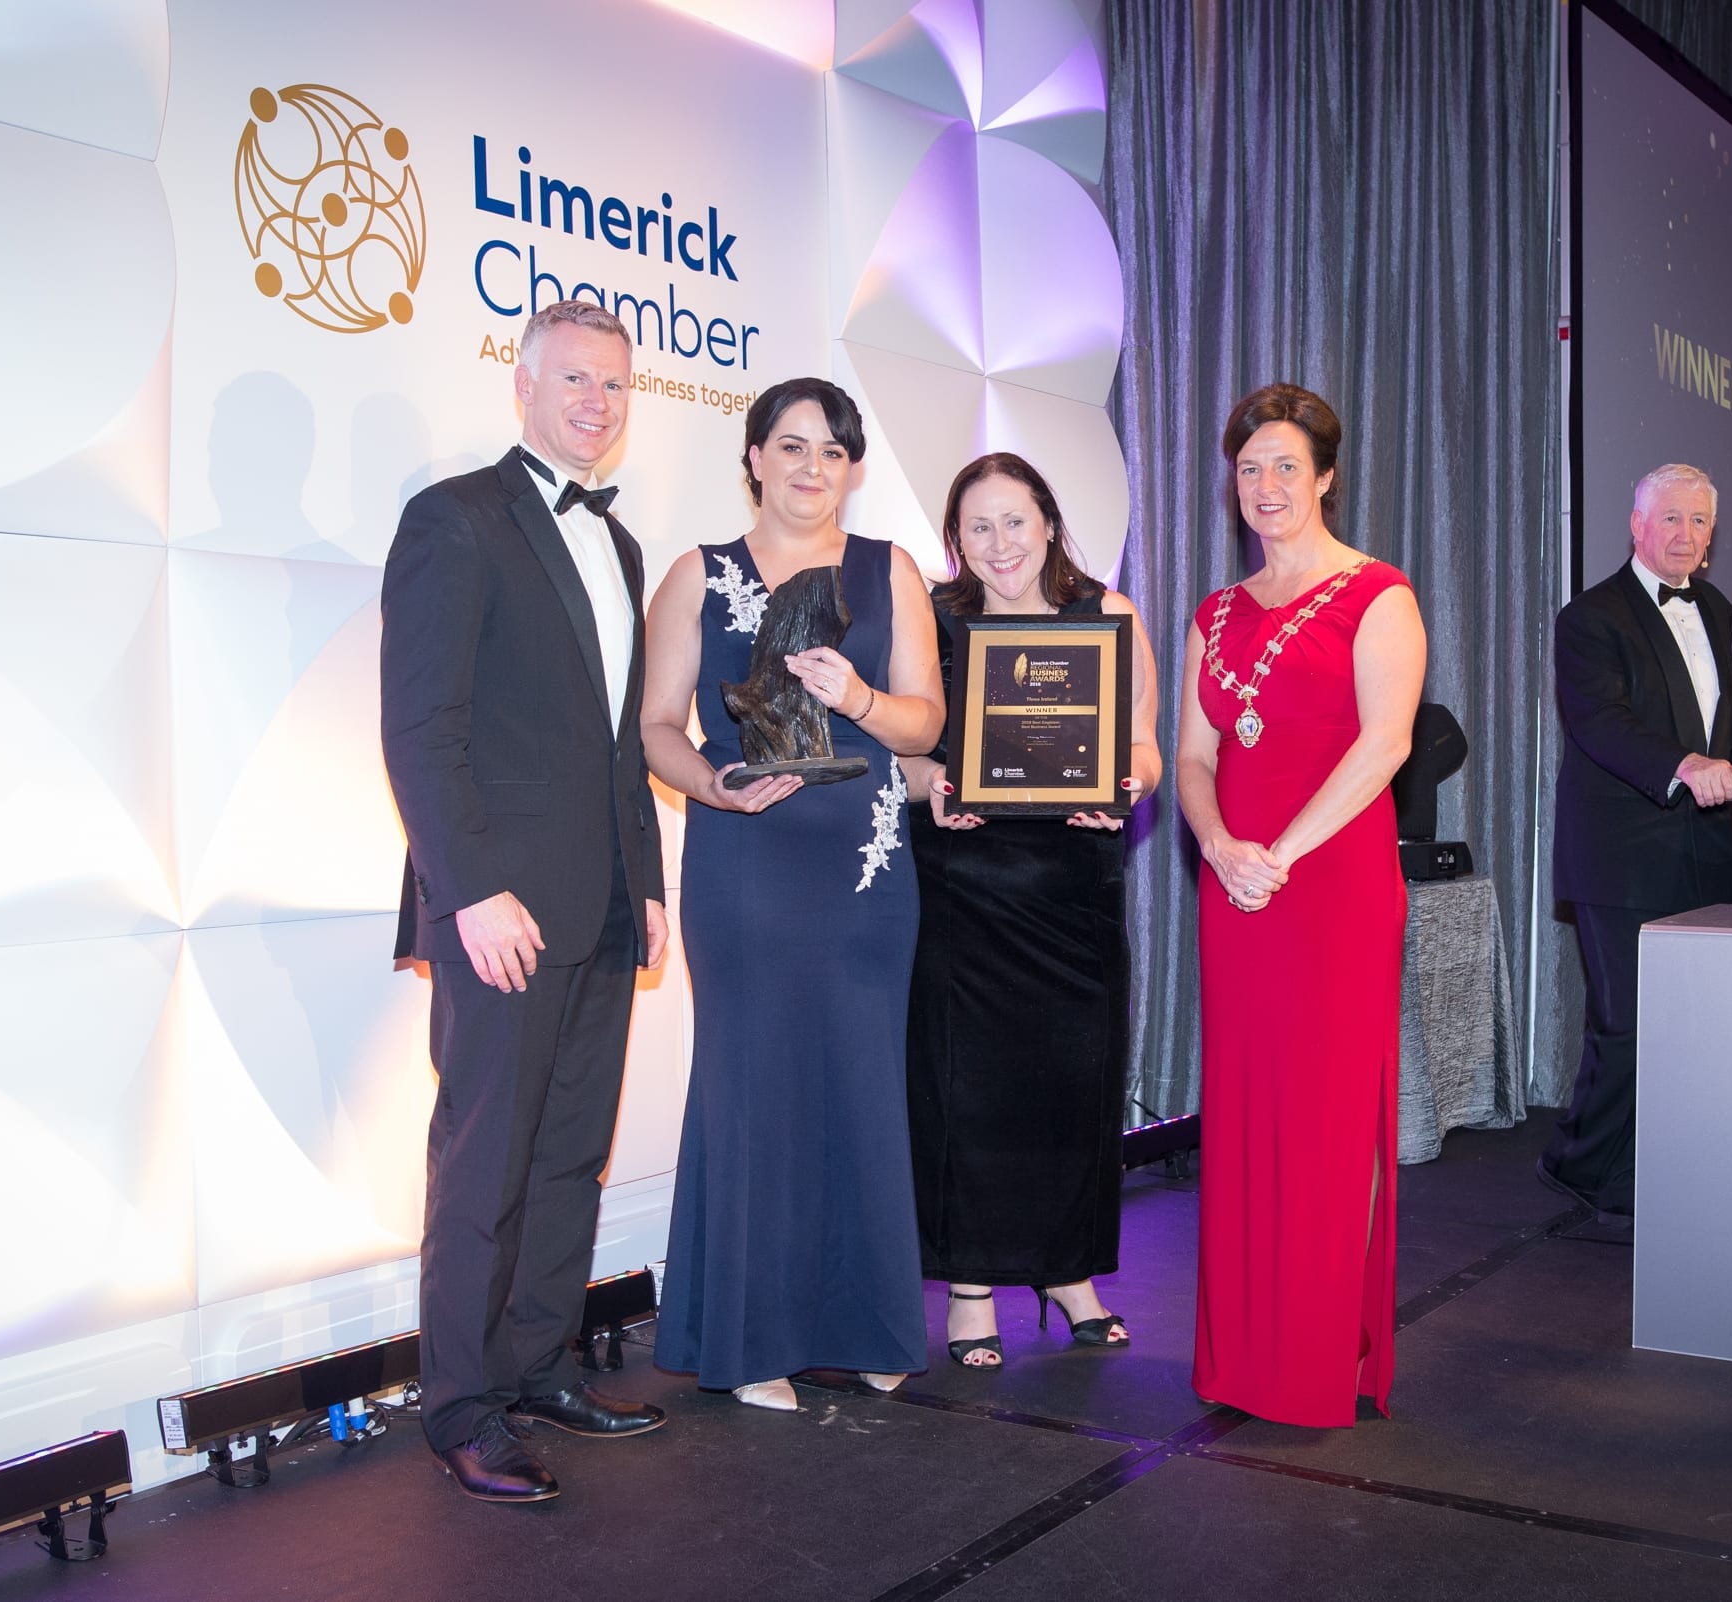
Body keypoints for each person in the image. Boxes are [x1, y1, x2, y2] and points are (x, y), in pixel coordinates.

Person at [380, 301, 671, 1504]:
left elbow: (617, 746)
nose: (596, 404)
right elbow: (420, 732)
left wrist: (646, 883)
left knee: (568, 1158)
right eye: (575, 381)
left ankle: (540, 1364)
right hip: (499, 910)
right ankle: (459, 1407)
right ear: (523, 383)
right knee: (484, 1164)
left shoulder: (623, 542)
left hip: (601, 904)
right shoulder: (455, 518)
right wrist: (471, 895)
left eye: (613, 385)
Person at [641, 378, 947, 1410]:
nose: (813, 467)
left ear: (852, 469)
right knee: (755, 1096)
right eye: (793, 445)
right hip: (745, 868)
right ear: (756, 457)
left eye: (833, 451)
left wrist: (854, 696)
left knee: (863, 1092)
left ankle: (870, 1327)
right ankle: (753, 1342)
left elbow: (922, 726)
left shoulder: (888, 570)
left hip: (864, 876)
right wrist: (714, 791)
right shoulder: (698, 573)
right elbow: (654, 728)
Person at [1176, 383, 1425, 1428]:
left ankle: (1322, 1353)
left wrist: (1275, 853)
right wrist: (1221, 844)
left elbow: (1386, 746)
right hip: (1235, 888)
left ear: (1326, 475)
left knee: (1325, 1123)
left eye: (1287, 466)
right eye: (1249, 470)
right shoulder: (1214, 614)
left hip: (1331, 888)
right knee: (1242, 1119)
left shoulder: (1382, 594)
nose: (1267, 487)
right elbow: (1192, 755)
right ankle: (1244, 1355)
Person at [900, 453, 1162, 1369]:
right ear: (955, 541)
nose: (999, 544)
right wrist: (931, 781)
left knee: (1070, 1090)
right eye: (978, 527)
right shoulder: (930, 624)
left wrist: (1129, 784)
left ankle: (1066, 1275)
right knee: (964, 1093)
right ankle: (971, 1287)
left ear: (1049, 522)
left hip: (1072, 892)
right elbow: (904, 754)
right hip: (963, 892)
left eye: (1015, 521)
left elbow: (1143, 746)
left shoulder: (1109, 614)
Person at [1542, 462, 1732, 1218]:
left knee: (1696, 1021)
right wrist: (1684, 765)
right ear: (1636, 525)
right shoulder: (1590, 618)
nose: (1685, 535)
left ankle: (1667, 1157)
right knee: (1629, 1021)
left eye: (1699, 522)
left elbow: (1716, 728)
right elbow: (1602, 724)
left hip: (1703, 847)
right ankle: (1583, 1166)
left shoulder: (1718, 613)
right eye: (1670, 518)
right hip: (1619, 850)